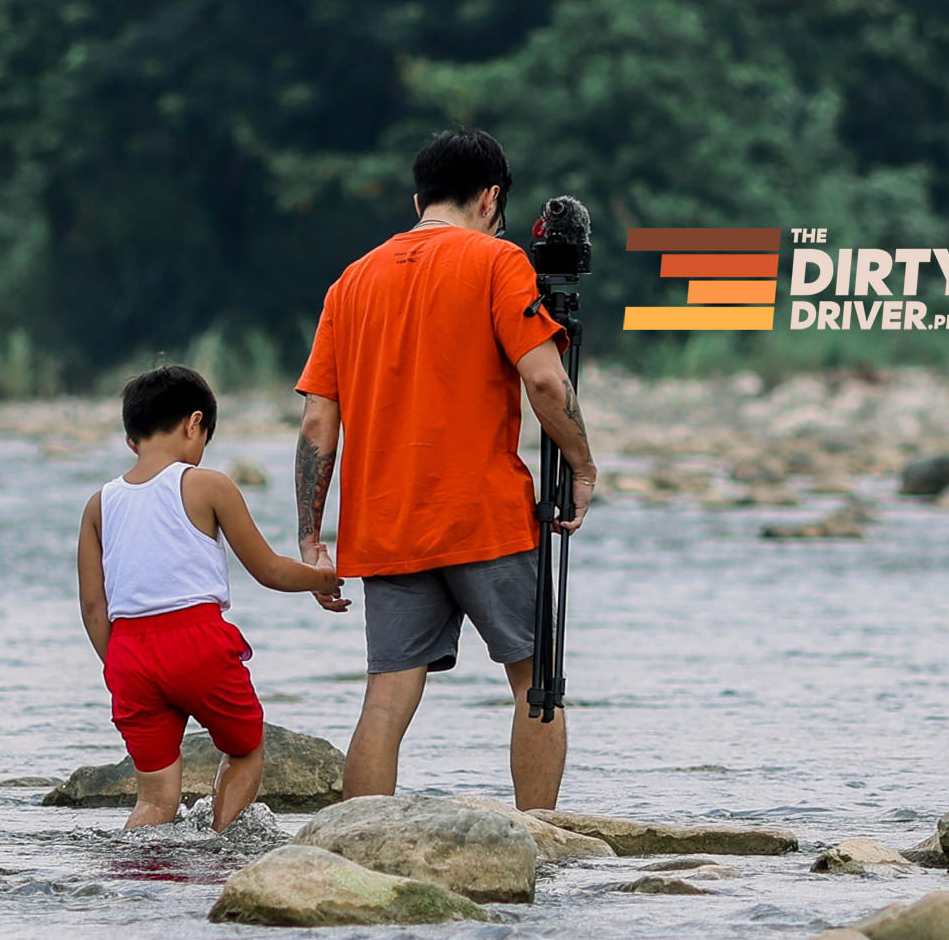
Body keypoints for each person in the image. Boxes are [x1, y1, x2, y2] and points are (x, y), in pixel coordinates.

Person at [294, 127, 599, 808]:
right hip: (483, 517)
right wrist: (581, 464)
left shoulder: (351, 282)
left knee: (386, 697)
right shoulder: (498, 264)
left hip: (386, 523)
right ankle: (537, 840)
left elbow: (318, 423)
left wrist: (312, 537)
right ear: (492, 197)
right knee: (535, 681)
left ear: (417, 197)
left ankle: (356, 847)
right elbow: (546, 384)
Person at [78, 363, 344, 830]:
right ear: (194, 423)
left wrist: (119, 663)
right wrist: (323, 577)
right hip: (196, 641)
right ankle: (219, 844)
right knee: (244, 749)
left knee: (155, 799)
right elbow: (267, 570)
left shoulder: (100, 503)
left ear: (130, 439)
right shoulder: (206, 484)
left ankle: (133, 884)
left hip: (128, 651)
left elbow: (92, 606)